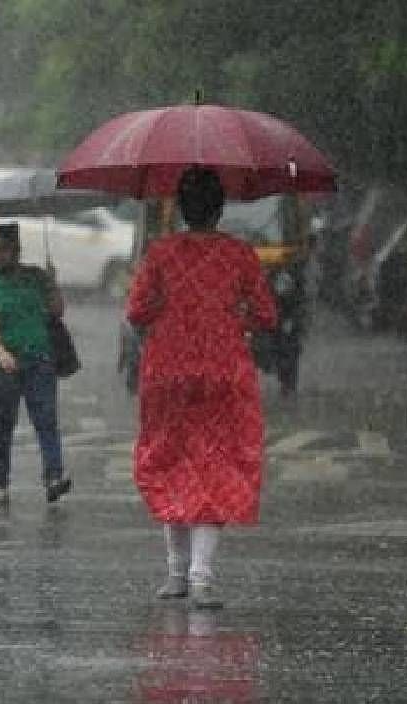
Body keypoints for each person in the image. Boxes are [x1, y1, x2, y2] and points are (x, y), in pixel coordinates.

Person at [125, 167, 278, 609]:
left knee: (172, 461)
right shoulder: (239, 255)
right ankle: (202, 577)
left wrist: (170, 314)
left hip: (167, 371)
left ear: (181, 208)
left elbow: (136, 312)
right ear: (220, 208)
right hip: (224, 370)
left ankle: (175, 574)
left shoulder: (160, 253)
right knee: (217, 465)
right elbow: (266, 315)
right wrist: (233, 319)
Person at [0, 222, 72, 505]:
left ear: (17, 250)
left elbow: (58, 311)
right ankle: (0, 483)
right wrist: (0, 353)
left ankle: (54, 476)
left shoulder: (37, 277)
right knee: (3, 424)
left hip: (39, 359)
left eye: (4, 249)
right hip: (4, 366)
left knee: (46, 420)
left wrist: (53, 283)